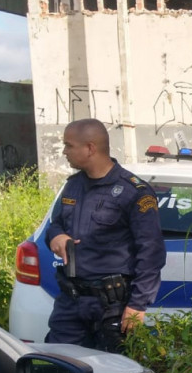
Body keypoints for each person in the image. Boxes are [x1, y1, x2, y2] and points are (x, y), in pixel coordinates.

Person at [45, 118, 166, 352]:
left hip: (113, 306)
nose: (64, 152)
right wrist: (56, 236)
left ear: (90, 148)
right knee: (61, 368)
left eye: (69, 145)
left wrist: (137, 305)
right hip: (71, 303)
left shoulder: (133, 192)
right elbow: (56, 224)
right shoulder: (73, 186)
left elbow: (151, 253)